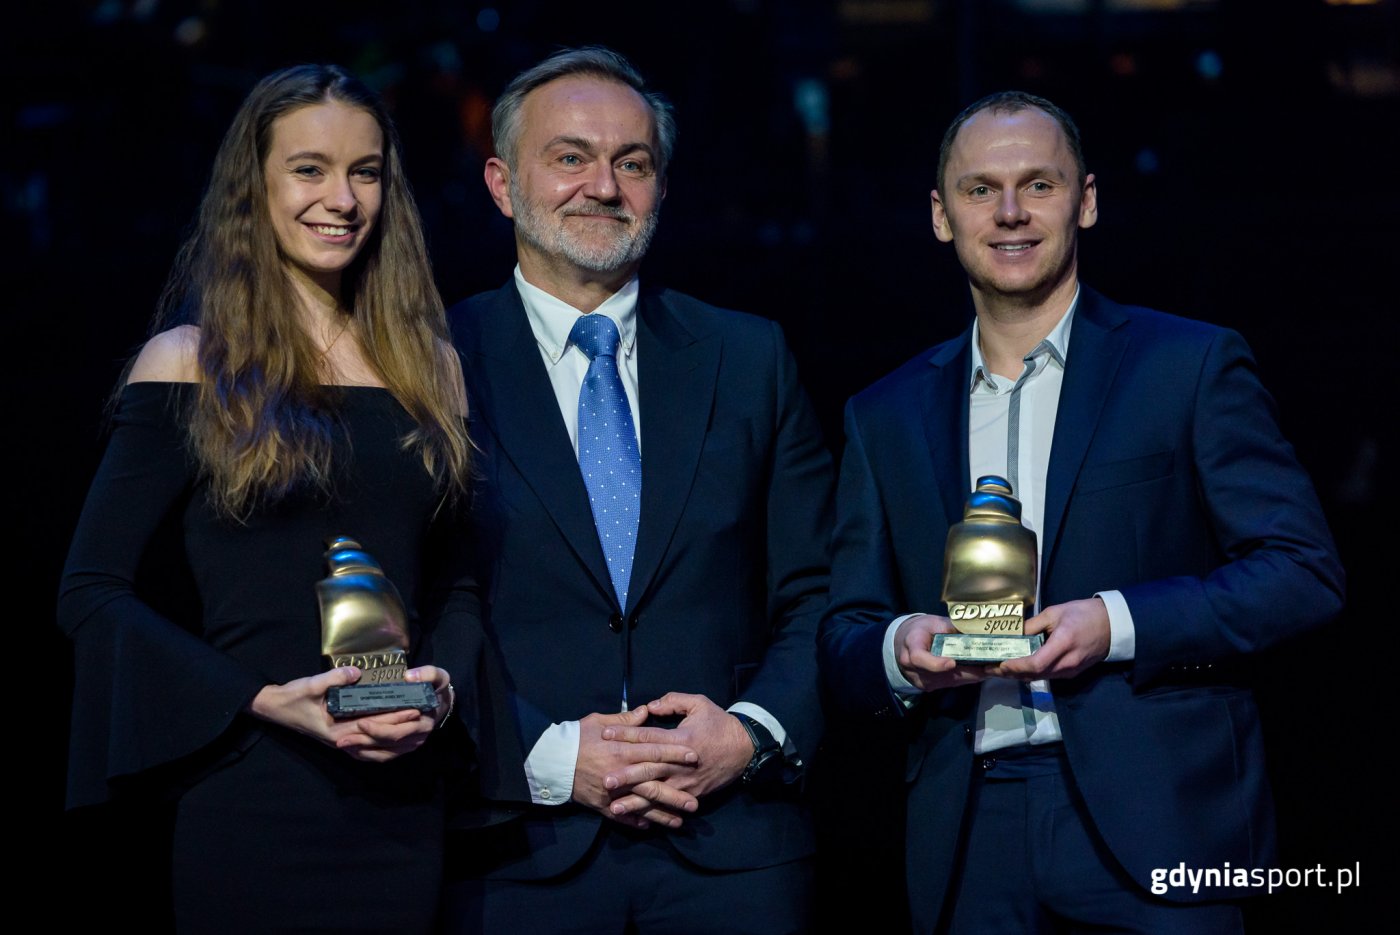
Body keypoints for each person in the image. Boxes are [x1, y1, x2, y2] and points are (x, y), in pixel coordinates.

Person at [817, 91, 1344, 934]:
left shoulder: (1189, 365)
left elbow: (1303, 571)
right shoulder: (882, 415)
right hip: (967, 825)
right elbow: (844, 629)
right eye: (980, 189)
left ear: (1087, 201)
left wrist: (1117, 621)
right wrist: (897, 648)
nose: (1011, 212)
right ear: (941, 215)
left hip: (1165, 811)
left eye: (1040, 184)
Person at [58, 64, 485, 932]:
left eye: (365, 171)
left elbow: (462, 584)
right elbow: (90, 590)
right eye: (309, 168)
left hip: (402, 796)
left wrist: (438, 693)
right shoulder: (191, 361)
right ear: (255, 183)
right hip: (251, 789)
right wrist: (259, 697)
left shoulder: (430, 366)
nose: (342, 198)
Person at [441, 47, 834, 934]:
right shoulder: (429, 362)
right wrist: (548, 754)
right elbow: (411, 603)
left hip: (735, 853)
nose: (604, 186)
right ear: (503, 184)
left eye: (633, 162)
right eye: (571, 157)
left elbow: (821, 589)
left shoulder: (749, 358)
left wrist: (754, 729)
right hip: (516, 853)